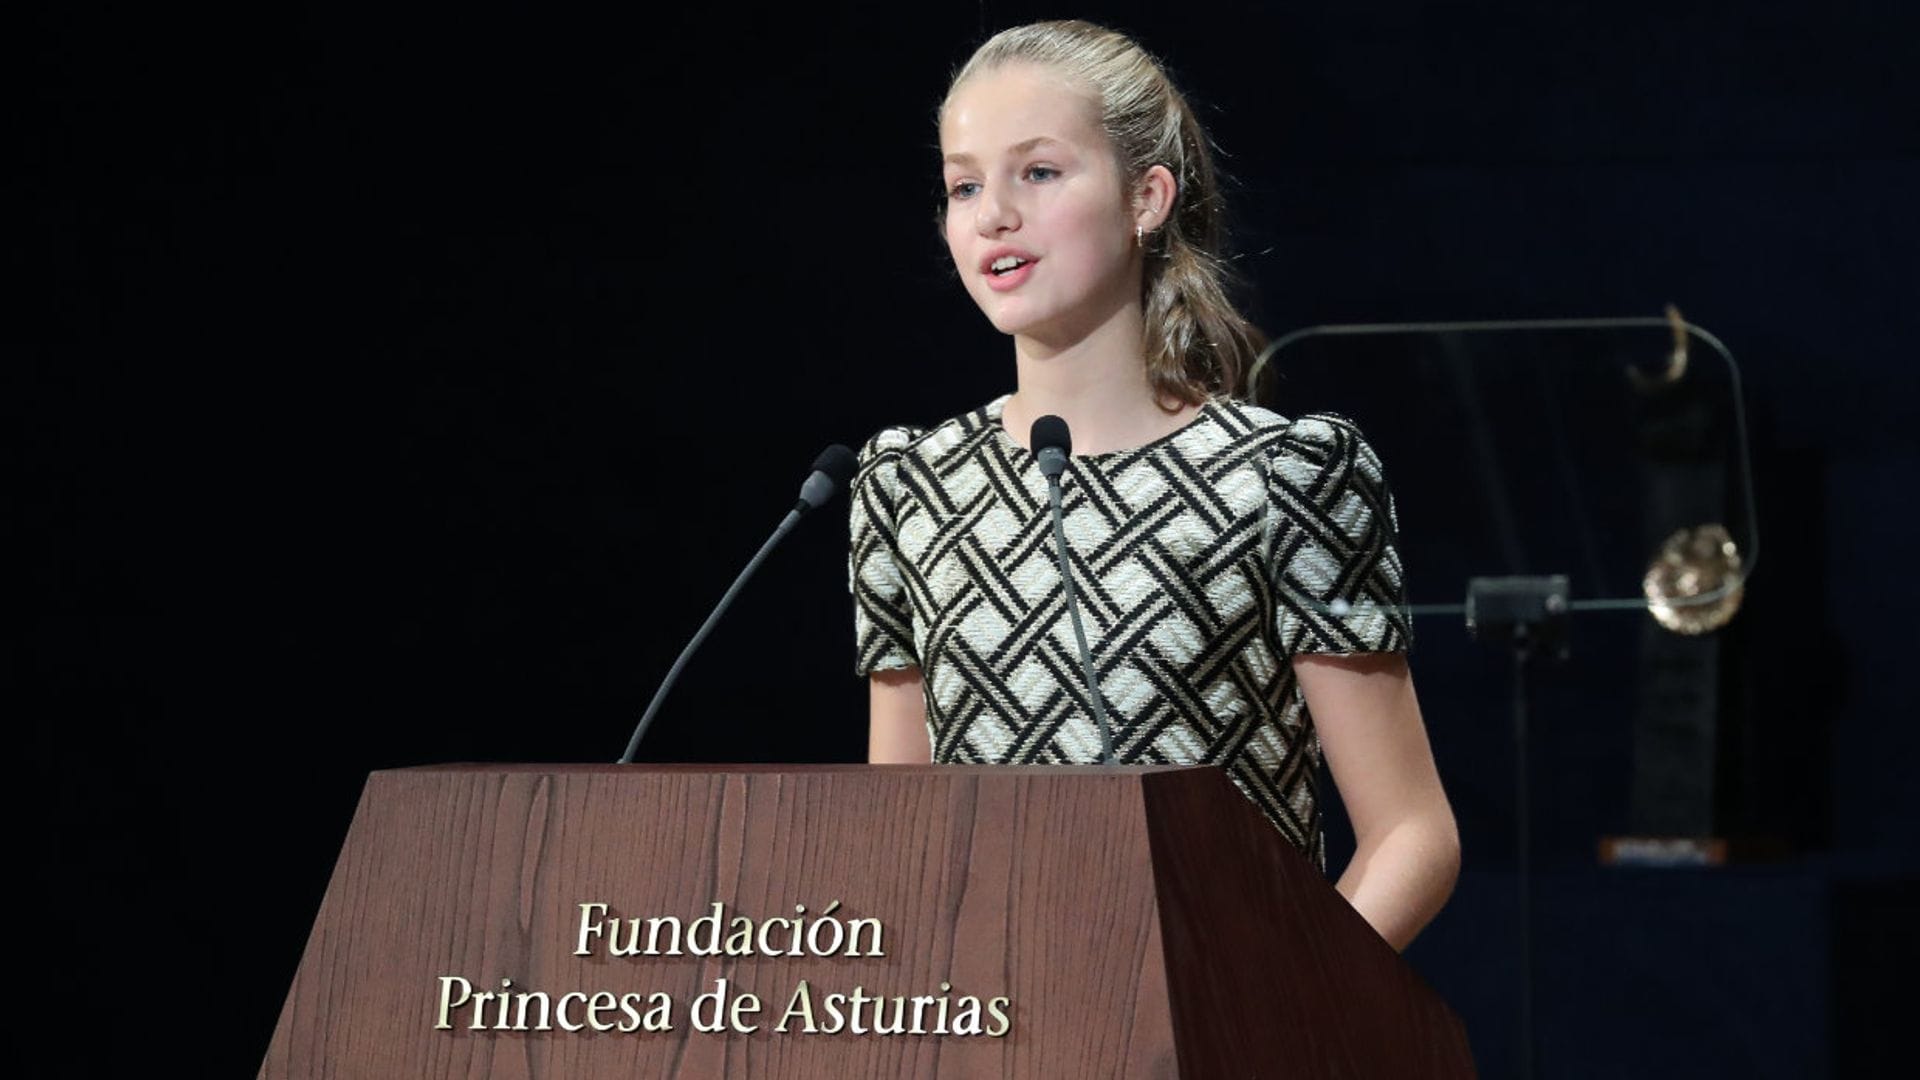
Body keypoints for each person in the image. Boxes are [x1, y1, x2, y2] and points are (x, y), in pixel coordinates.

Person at [849, 20, 1457, 951]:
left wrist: (1273, 1012)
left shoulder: (1280, 480)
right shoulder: (913, 487)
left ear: (1147, 196)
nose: (992, 214)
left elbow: (1412, 834)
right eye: (964, 184)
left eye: (1038, 173)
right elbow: (902, 837)